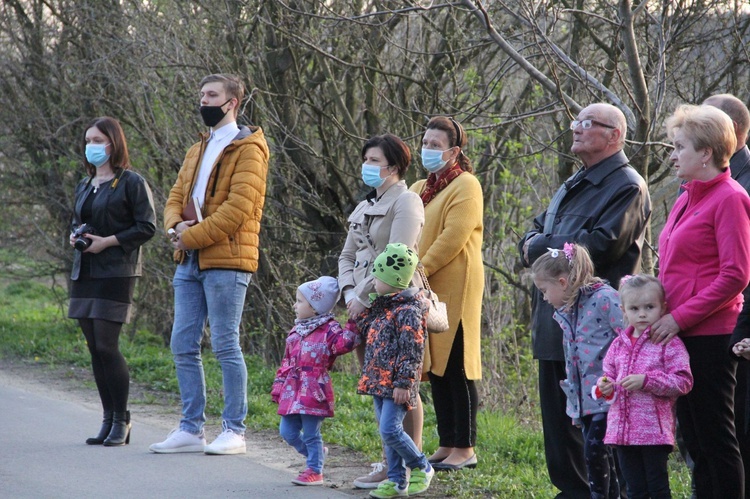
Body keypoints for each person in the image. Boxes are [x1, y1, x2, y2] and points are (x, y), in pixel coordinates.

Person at [518, 103, 651, 498]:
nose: (575, 128)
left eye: (587, 123)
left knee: (596, 428)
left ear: (614, 135)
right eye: (576, 121)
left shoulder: (627, 185)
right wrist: (541, 243)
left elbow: (598, 248)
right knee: (559, 426)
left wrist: (541, 245)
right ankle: (571, 492)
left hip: (594, 333)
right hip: (554, 320)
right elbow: (534, 232)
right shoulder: (576, 180)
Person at [150, 74, 270, 455]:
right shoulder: (196, 148)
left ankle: (234, 430)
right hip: (188, 258)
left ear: (232, 102)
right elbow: (174, 196)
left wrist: (189, 236)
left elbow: (237, 211)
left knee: (224, 344)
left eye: (212, 95)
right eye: (201, 94)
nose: (204, 101)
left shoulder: (250, 148)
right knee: (182, 343)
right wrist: (174, 228)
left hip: (227, 261)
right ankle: (190, 429)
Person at [651, 104, 750, 498]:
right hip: (679, 333)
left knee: (716, 439)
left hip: (709, 335)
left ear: (705, 153)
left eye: (679, 147)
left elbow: (736, 275)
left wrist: (678, 319)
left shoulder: (730, 198)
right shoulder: (685, 195)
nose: (672, 156)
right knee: (692, 438)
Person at [338, 133, 425, 488]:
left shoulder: (407, 201)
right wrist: (348, 293)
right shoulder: (362, 206)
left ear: (394, 166)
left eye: (374, 161)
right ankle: (391, 464)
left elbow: (397, 259)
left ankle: (409, 464)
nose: (367, 166)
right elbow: (346, 256)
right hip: (360, 306)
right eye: (366, 159)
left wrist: (363, 296)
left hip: (394, 302)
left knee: (403, 386)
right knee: (377, 384)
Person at [68, 116, 156, 446]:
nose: (92, 146)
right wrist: (75, 237)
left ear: (113, 143)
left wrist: (108, 241)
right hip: (85, 271)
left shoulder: (131, 181)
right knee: (94, 348)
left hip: (116, 271)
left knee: (107, 345)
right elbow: (78, 221)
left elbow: (147, 227)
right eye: (88, 140)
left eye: (98, 140)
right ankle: (107, 418)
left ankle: (123, 419)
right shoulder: (84, 184)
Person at [409, 116, 484, 471]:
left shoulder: (466, 185)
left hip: (455, 285)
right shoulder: (420, 186)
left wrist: (415, 269)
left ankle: (465, 446)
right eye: (425, 143)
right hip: (423, 286)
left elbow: (452, 238)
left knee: (457, 364)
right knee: (435, 366)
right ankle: (447, 442)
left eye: (436, 146)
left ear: (454, 151)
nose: (428, 150)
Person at [531, 243, 621, 498]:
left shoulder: (605, 299)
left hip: (607, 395)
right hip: (586, 400)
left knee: (595, 454)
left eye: (544, 291)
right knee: (599, 457)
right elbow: (574, 360)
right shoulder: (569, 309)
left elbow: (630, 336)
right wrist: (576, 403)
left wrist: (619, 376)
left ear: (561, 282)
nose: (545, 298)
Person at [596, 275, 693, 498]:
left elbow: (683, 381)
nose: (642, 314)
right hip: (621, 432)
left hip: (653, 432)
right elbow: (606, 377)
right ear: (623, 310)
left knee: (657, 487)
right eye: (634, 308)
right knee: (633, 489)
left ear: (662, 307)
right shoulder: (618, 345)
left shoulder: (668, 343)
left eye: (649, 307)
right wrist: (605, 387)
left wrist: (647, 381)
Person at [354, 243, 434, 499]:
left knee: (390, 429)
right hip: (379, 382)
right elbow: (367, 330)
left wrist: (404, 383)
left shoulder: (408, 311)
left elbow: (412, 351)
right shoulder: (384, 307)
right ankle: (398, 482)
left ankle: (422, 465)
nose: (374, 282)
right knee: (386, 432)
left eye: (378, 277)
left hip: (396, 385)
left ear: (393, 280)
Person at [271, 276, 361, 486]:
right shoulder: (295, 331)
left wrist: (353, 322)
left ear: (315, 307)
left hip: (314, 390)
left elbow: (344, 344)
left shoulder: (330, 330)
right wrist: (278, 385)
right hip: (292, 390)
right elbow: (286, 361)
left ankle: (315, 470)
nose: (295, 305)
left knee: (311, 433)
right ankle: (317, 454)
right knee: (287, 432)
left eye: (299, 301)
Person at [705, 93, 750, 499]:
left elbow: (739, 271)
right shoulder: (696, 186)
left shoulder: (738, 188)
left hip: (736, 327)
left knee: (733, 435)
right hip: (706, 325)